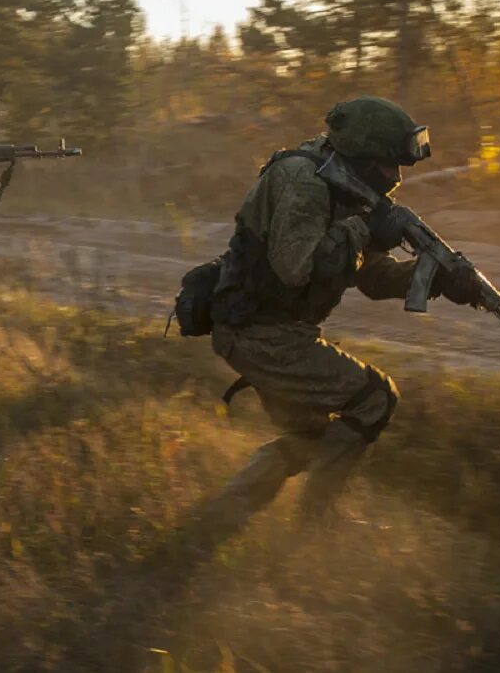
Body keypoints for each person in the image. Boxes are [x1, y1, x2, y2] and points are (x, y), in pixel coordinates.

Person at [202, 96, 482, 532]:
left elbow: (370, 278)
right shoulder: (306, 181)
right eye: (391, 164)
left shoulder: (346, 186)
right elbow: (295, 268)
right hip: (259, 332)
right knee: (375, 398)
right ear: (365, 153)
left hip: (273, 331)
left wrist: (438, 279)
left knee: (311, 434)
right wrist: (363, 227)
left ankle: (221, 517)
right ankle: (316, 524)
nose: (397, 177)